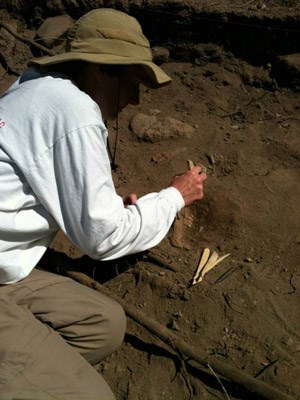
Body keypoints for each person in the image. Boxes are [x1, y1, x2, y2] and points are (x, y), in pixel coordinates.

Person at [0, 8, 207, 400]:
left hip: (6, 266)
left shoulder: (34, 88)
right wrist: (174, 197)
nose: (136, 97)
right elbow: (103, 238)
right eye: (133, 81)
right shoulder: (73, 110)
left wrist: (110, 206)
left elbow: (44, 183)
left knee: (104, 325)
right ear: (100, 71)